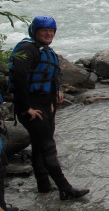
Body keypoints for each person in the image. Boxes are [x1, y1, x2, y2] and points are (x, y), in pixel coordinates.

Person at [8, 15, 89, 200]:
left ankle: (43, 185)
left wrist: (56, 94)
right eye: (44, 30)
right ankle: (65, 189)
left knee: (39, 146)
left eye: (51, 31)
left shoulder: (44, 50)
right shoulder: (27, 49)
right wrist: (25, 108)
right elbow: (19, 77)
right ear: (34, 31)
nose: (48, 33)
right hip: (32, 106)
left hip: (45, 105)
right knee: (48, 147)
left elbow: (49, 75)